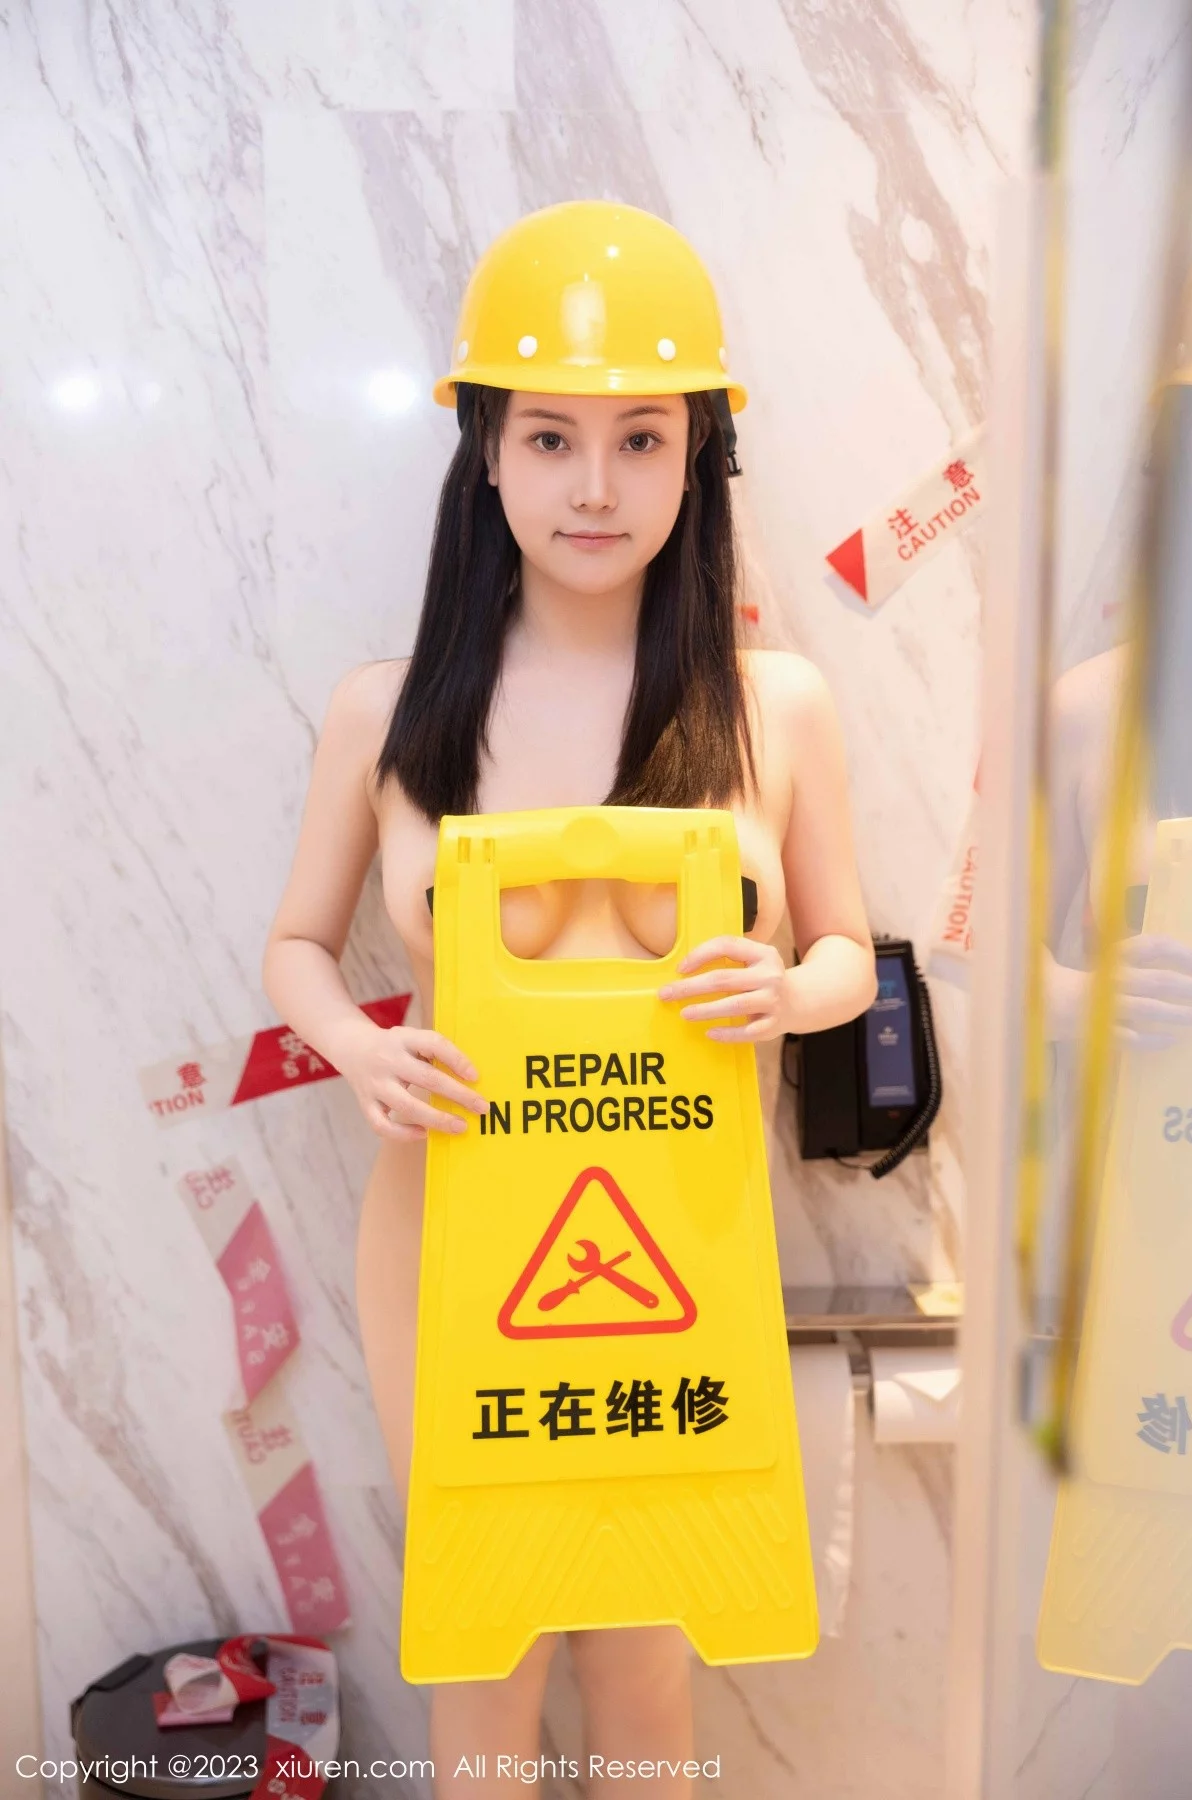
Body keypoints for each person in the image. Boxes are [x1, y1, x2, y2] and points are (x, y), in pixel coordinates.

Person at [262, 199, 877, 1799]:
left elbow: (850, 956)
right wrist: (356, 1049)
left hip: (671, 1224)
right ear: (486, 451)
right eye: (549, 437)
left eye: (641, 440)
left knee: (646, 1648)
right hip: (451, 1224)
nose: (594, 486)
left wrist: (786, 991)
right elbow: (299, 947)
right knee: (488, 1642)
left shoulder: (774, 709)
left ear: (698, 460)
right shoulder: (388, 712)